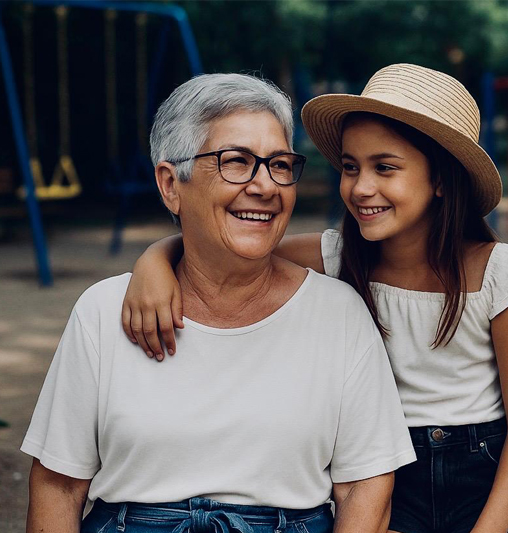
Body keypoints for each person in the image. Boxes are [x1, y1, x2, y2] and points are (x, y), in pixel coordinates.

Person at [120, 64, 508, 533]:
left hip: (488, 476)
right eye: (350, 167)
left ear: (441, 180)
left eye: (384, 167)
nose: (361, 187)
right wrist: (155, 260)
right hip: (388, 474)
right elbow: (229, 242)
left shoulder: (497, 271)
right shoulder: (338, 256)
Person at [22, 73, 416, 533]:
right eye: (236, 161)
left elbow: (365, 486)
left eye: (280, 165)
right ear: (171, 184)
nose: (266, 186)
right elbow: (58, 487)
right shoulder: (104, 312)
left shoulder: (338, 312)